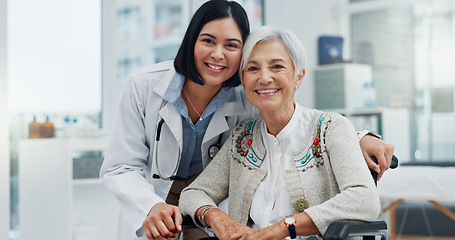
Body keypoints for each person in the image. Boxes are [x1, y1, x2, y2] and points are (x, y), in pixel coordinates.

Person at [99, 1, 393, 239]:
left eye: (231, 45)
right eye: (208, 41)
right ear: (192, 42)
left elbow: (304, 121)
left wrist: (358, 138)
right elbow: (121, 167)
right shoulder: (145, 86)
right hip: (155, 199)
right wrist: (157, 206)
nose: (217, 54)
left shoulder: (253, 94)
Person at [179, 26, 381, 240]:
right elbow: (193, 193)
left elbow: (364, 200)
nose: (264, 78)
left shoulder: (331, 128)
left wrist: (283, 228)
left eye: (277, 67)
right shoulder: (242, 138)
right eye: (253, 69)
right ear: (243, 79)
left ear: (298, 77)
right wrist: (217, 217)